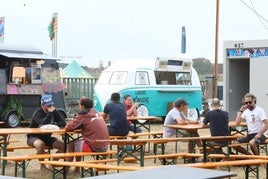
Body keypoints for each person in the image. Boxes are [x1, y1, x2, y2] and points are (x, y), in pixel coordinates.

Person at [65, 97, 109, 173]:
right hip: (104, 146)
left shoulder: (84, 115)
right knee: (78, 143)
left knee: (72, 144)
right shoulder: (97, 112)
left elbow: (67, 128)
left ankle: (67, 169)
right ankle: (76, 168)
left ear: (82, 106)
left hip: (95, 147)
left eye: (79, 105)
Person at [26, 94, 66, 171]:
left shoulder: (54, 111)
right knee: (40, 144)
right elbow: (43, 124)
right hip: (34, 137)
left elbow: (63, 123)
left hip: (47, 137)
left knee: (64, 146)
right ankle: (43, 166)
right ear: (42, 105)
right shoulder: (38, 113)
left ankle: (52, 163)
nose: (49, 107)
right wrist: (50, 113)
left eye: (50, 105)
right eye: (47, 105)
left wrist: (54, 119)